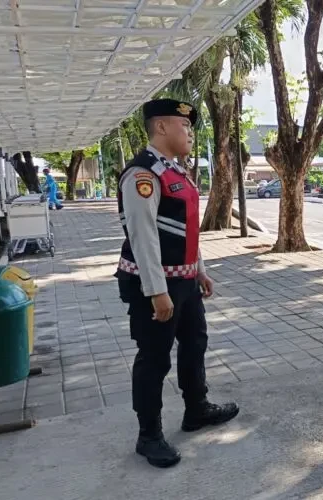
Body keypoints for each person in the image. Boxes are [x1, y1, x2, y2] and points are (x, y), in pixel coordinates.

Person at [115, 98, 239, 469]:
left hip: (184, 282)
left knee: (195, 344)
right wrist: (157, 292)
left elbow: (187, 229)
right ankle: (149, 435)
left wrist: (199, 269)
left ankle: (196, 408)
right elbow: (143, 236)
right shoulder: (142, 174)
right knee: (154, 358)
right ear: (161, 127)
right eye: (183, 125)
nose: (189, 132)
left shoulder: (175, 171)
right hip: (154, 286)